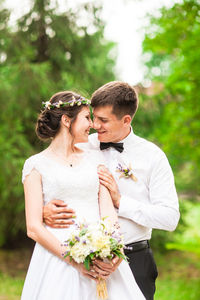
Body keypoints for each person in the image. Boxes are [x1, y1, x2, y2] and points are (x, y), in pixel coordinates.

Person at [43, 82, 180, 300]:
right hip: (81, 261)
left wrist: (120, 201)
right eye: (93, 117)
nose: (96, 125)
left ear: (126, 120)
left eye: (103, 120)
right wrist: (44, 210)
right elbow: (50, 178)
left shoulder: (152, 157)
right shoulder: (80, 145)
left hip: (133, 260)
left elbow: (170, 218)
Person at [21, 90, 145, 300]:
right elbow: (33, 228)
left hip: (101, 256)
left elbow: (107, 211)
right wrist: (74, 261)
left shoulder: (95, 158)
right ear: (66, 120)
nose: (93, 124)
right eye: (87, 118)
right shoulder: (35, 165)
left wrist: (116, 251)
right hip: (57, 259)